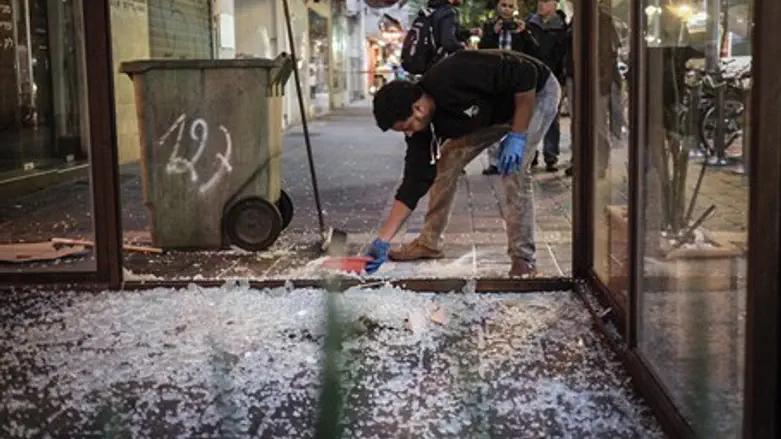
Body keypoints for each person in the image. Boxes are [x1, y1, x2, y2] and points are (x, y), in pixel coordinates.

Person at [364, 49, 561, 277]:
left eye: (407, 127)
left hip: (535, 93)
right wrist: (382, 240)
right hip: (494, 114)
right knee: (447, 161)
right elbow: (413, 183)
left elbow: (526, 74)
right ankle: (429, 242)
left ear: (418, 109)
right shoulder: (421, 132)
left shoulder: (455, 72)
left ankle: (523, 260)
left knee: (514, 170)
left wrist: (518, 134)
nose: (409, 134)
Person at [478, 0, 541, 175]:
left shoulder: (523, 27)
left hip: (517, 78)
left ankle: (522, 158)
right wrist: (493, 33)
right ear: (498, 6)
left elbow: (535, 52)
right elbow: (482, 51)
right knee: (494, 119)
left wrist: (524, 33)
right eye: (504, 5)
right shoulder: (490, 26)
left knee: (521, 116)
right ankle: (494, 161)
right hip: (496, 78)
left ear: (516, 9)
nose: (506, 9)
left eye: (510, 6)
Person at [525, 0, 568, 172]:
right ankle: (531, 154)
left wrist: (561, 76)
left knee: (552, 117)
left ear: (555, 4)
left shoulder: (561, 27)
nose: (541, 5)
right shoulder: (530, 25)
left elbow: (563, 54)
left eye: (545, 1)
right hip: (532, 76)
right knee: (530, 116)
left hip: (553, 77)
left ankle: (551, 155)